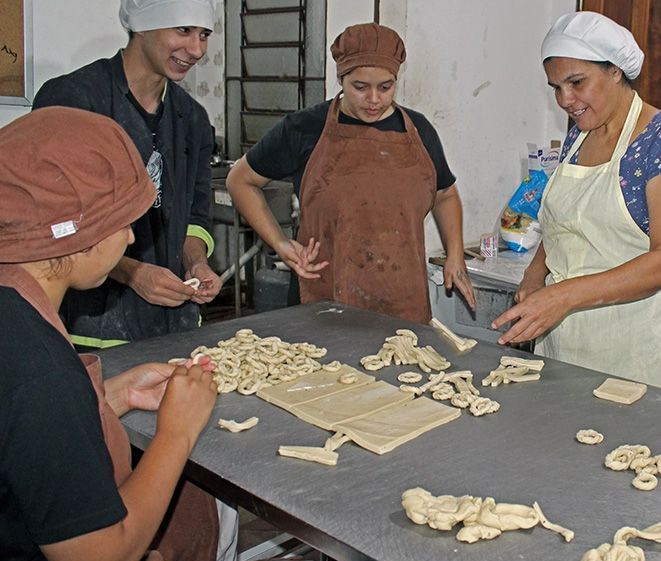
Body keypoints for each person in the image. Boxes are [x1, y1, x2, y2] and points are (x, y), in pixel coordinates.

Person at [0, 108, 233, 561]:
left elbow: (24, 438)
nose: (129, 240)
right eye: (121, 223)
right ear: (78, 236)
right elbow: (101, 554)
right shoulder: (39, 368)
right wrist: (176, 433)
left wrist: (112, 398)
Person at [492, 11, 661, 390]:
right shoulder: (579, 136)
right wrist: (535, 273)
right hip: (563, 343)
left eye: (576, 82)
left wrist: (564, 296)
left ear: (615, 71)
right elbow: (566, 222)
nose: (565, 100)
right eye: (555, 87)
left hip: (632, 351)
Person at [226, 22, 474, 323]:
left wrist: (455, 255)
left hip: (402, 301)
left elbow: (445, 194)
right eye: (360, 87)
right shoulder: (305, 128)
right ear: (341, 79)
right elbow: (240, 180)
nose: (374, 100)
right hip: (323, 299)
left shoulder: (419, 131)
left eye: (385, 87)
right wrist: (279, 242)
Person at [32, 0, 222, 349]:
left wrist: (196, 264)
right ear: (141, 25)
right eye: (182, 30)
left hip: (174, 328)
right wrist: (132, 273)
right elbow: (53, 224)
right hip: (88, 327)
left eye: (204, 34)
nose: (196, 50)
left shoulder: (192, 119)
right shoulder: (73, 100)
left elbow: (195, 214)